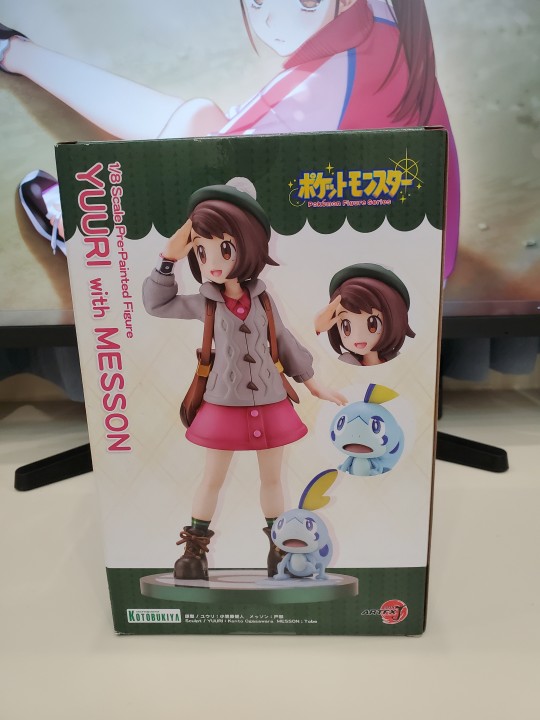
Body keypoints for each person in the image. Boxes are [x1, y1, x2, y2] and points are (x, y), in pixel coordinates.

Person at [1, 0, 460, 277]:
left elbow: (200, 175)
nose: (273, 20)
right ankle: (18, 54)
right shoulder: (386, 13)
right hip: (423, 247)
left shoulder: (310, 93)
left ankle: (89, 231)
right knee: (199, 126)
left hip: (367, 280)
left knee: (193, 143)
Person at [142, 182, 346, 580]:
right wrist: (167, 260)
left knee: (272, 479)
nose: (212, 261)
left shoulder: (265, 300)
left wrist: (312, 383)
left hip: (270, 400)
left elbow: (283, 339)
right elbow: (157, 304)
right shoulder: (204, 302)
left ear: (248, 246)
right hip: (222, 402)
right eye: (201, 251)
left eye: (224, 248)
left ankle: (279, 548)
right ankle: (194, 551)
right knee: (211, 479)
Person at [314, 263, 415, 365]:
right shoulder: (347, 363)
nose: (358, 336)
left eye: (373, 325)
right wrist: (317, 329)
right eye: (346, 327)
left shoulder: (398, 361)